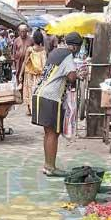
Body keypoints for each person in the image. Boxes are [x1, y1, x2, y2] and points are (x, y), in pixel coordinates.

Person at [31, 32, 82, 177]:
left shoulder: (55, 52)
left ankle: (47, 165)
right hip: (51, 97)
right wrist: (79, 74)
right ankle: (51, 167)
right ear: (75, 47)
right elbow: (71, 77)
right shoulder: (68, 55)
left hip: (40, 93)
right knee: (53, 133)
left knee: (48, 133)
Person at [20, 30, 46, 116]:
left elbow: (24, 62)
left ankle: (29, 109)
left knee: (29, 91)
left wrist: (20, 74)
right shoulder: (43, 50)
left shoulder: (30, 49)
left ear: (33, 39)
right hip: (40, 75)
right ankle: (38, 109)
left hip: (30, 74)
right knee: (38, 91)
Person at [13, 23, 32, 89]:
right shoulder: (16, 40)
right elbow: (14, 53)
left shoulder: (31, 40)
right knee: (19, 79)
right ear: (18, 32)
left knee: (27, 80)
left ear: (27, 31)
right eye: (21, 31)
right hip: (19, 63)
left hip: (28, 63)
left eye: (24, 31)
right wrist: (14, 66)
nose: (23, 33)